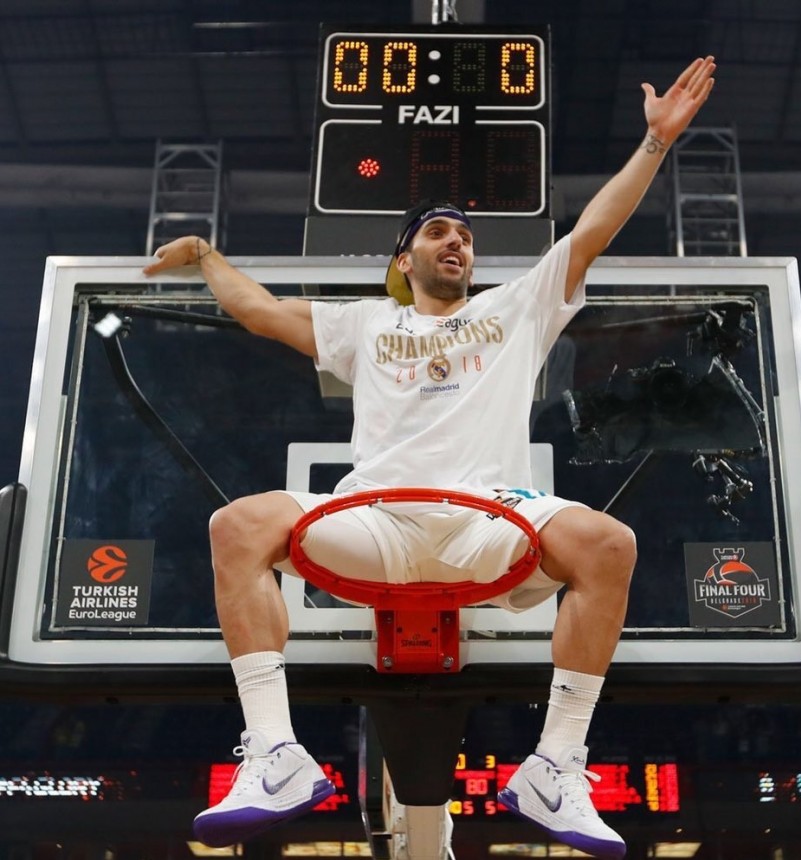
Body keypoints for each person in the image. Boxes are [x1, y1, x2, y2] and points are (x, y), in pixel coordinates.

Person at [144, 56, 716, 858]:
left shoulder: (515, 308)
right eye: (439, 232)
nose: (459, 242)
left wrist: (654, 146)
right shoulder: (367, 324)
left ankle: (555, 766)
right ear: (403, 259)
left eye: (466, 235)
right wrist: (206, 252)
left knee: (607, 543)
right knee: (238, 523)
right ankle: (276, 752)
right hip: (373, 521)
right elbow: (264, 312)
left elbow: (592, 229)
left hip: (488, 523)